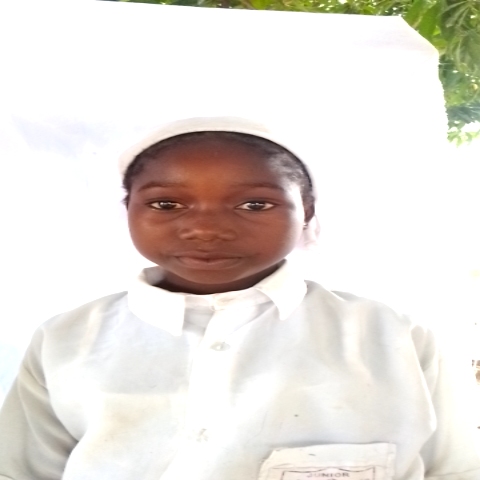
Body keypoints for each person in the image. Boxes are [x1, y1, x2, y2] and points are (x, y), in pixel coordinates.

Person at [0, 116, 479, 480]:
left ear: (306, 211)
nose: (206, 228)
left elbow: (457, 468)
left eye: (254, 204)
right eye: (166, 203)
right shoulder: (67, 339)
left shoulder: (395, 335)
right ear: (129, 208)